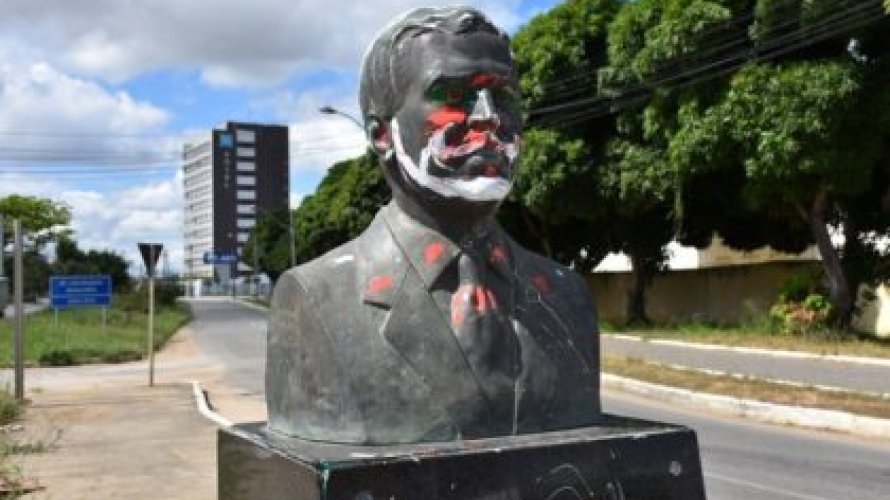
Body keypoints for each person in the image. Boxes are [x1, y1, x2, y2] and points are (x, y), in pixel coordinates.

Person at [266, 6, 600, 444]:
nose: (489, 118)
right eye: (454, 95)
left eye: (503, 96)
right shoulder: (312, 298)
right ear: (381, 134)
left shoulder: (569, 296)